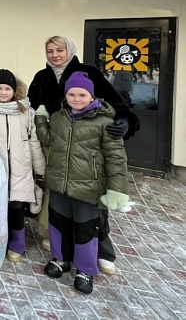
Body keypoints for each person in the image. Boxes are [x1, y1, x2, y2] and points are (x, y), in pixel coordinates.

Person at [28, 35, 139, 274]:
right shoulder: (41, 77)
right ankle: (61, 248)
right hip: (55, 144)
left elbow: (116, 104)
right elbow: (31, 106)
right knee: (57, 200)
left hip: (87, 148)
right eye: (50, 51)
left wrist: (125, 121)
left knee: (90, 203)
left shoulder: (88, 73)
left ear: (69, 50)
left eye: (60, 50)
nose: (55, 55)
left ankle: (103, 250)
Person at [35, 72, 129, 295]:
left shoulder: (105, 123)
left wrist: (117, 190)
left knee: (85, 230)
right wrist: (40, 119)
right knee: (59, 225)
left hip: (88, 188)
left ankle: (85, 269)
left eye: (82, 94)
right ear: (66, 95)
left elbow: (116, 159)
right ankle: (61, 259)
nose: (76, 99)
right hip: (60, 184)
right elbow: (48, 139)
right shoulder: (58, 118)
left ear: (92, 96)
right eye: (71, 94)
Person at [0, 69, 45, 262]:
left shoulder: (26, 111)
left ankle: (18, 242)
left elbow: (33, 140)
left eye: (7, 88)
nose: (3, 92)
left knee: (16, 207)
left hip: (20, 167)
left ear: (15, 90)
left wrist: (40, 169)